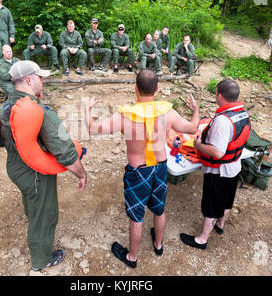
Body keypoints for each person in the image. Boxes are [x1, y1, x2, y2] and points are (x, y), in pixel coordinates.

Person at [85, 69, 200, 268]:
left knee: (137, 217)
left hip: (139, 171)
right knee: (159, 210)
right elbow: (192, 128)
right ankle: (158, 244)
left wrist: (87, 110)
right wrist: (196, 109)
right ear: (156, 89)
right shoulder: (168, 113)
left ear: (135, 88)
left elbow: (93, 129)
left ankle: (132, 257)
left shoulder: (125, 116)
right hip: (161, 167)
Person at [0, 60, 87, 274]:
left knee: (31, 200)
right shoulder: (41, 113)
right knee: (45, 215)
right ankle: (41, 260)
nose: (43, 80)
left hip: (15, 169)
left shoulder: (6, 108)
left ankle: (30, 213)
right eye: (40, 77)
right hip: (36, 175)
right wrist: (81, 174)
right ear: (28, 80)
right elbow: (65, 151)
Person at [180, 79, 251, 250]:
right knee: (226, 200)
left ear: (219, 95)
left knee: (212, 204)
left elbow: (218, 152)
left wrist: (198, 145)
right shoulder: (243, 113)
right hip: (234, 167)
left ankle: (202, 239)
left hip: (219, 170)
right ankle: (220, 225)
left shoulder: (222, 121)